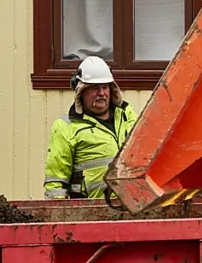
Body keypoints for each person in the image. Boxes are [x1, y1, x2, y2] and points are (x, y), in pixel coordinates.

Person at [44, 56, 138, 200]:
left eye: (105, 87)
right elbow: (56, 183)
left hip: (134, 207)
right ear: (81, 92)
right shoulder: (65, 127)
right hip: (90, 214)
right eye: (95, 88)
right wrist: (60, 215)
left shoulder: (128, 116)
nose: (101, 93)